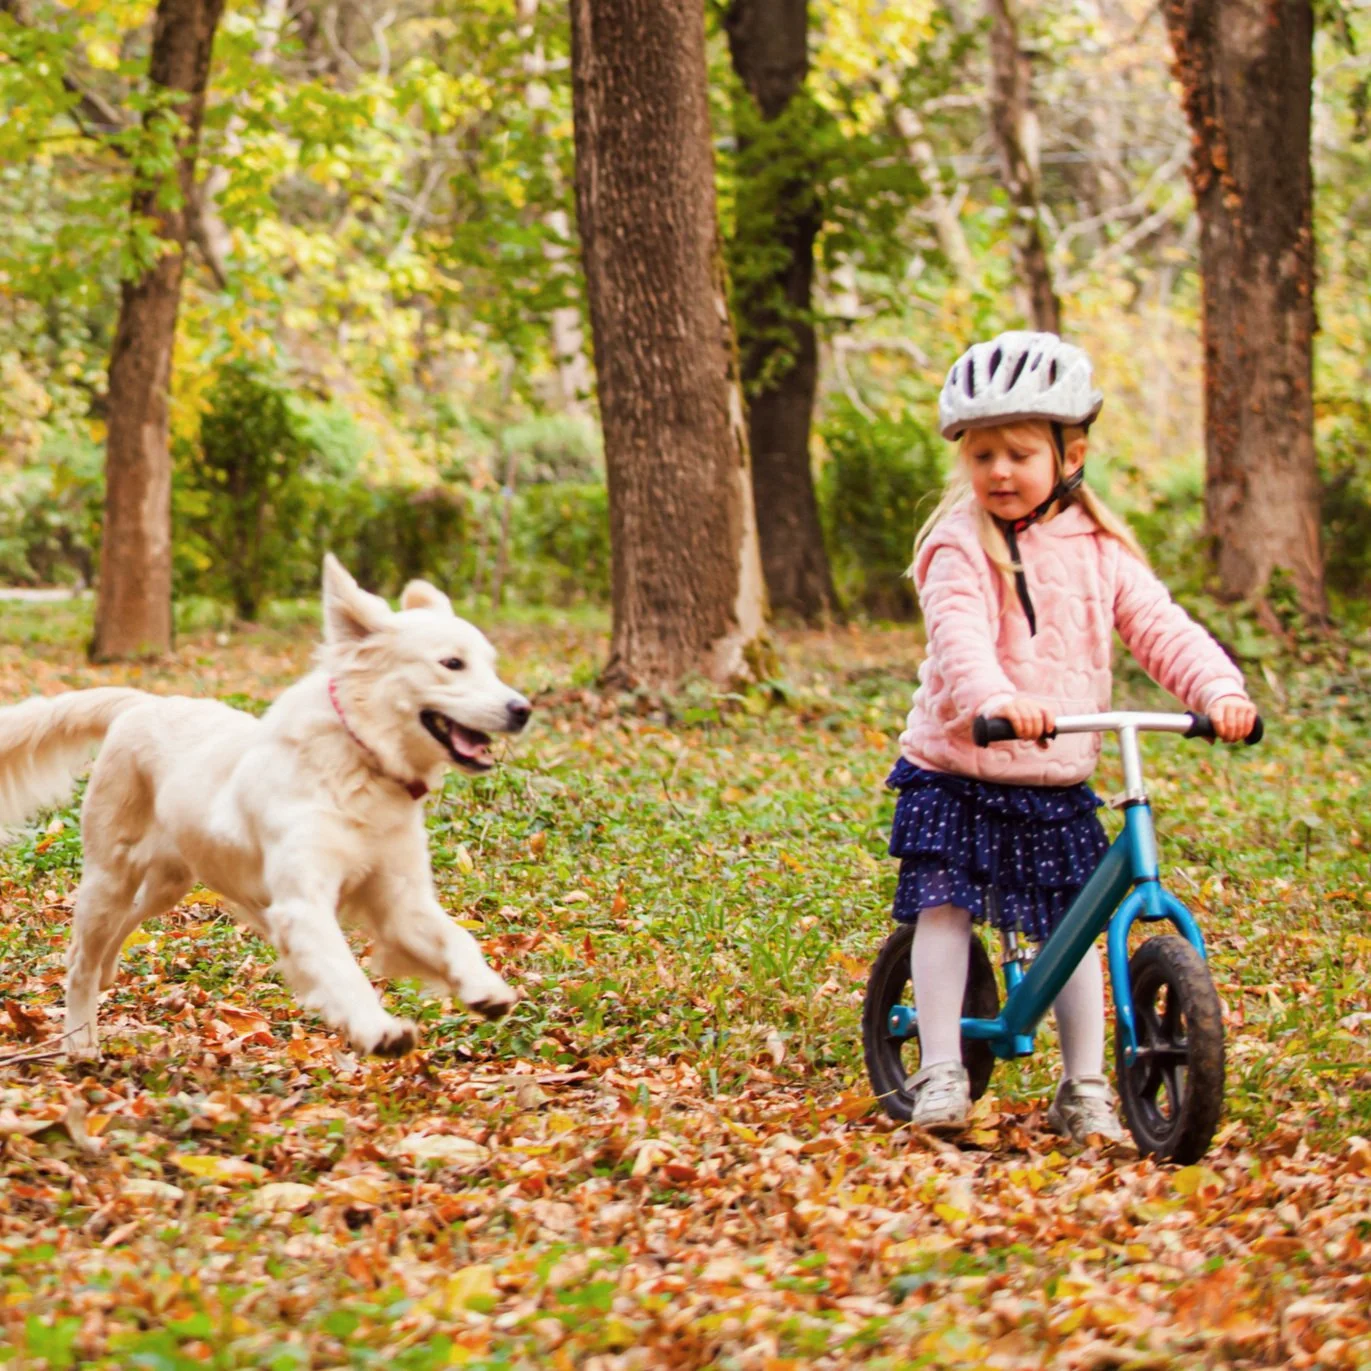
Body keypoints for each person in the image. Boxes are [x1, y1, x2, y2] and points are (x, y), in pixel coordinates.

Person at [891, 330, 1256, 1141]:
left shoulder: (1100, 549)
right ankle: (942, 1065)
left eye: (1018, 453)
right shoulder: (958, 542)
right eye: (981, 454)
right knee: (943, 907)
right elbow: (957, 638)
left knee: (1076, 925)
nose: (998, 472)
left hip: (1056, 771)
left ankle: (1084, 1084)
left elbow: (1161, 629)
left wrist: (1219, 690)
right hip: (961, 761)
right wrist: (995, 695)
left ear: (1070, 453)